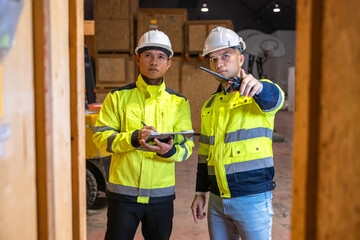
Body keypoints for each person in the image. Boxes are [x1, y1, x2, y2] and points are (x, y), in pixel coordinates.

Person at [93, 29, 194, 240]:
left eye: (161, 56)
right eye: (148, 55)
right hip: (123, 195)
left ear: (169, 63)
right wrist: (132, 138)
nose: (154, 62)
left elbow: (187, 147)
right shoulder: (117, 97)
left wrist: (170, 151)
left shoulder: (179, 103)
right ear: (137, 58)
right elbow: (101, 138)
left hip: (161, 197)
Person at [191, 26, 284, 240]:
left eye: (225, 55)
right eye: (213, 59)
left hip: (252, 198)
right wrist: (199, 193)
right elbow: (204, 153)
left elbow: (275, 98)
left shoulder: (260, 94)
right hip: (216, 199)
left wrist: (259, 87)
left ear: (240, 59)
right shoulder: (210, 105)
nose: (219, 63)